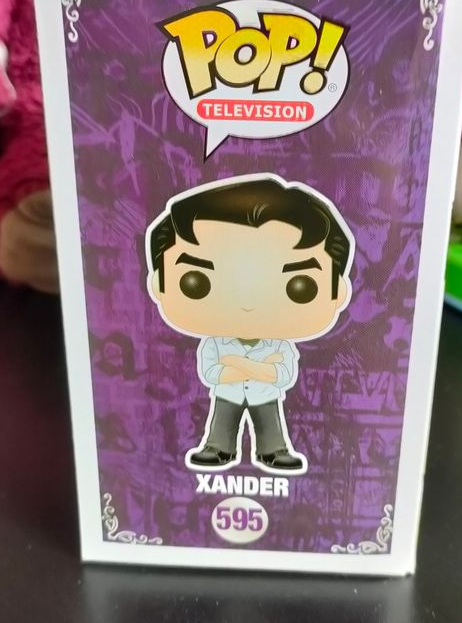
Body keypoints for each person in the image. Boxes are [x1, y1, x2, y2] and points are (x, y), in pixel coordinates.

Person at [145, 175, 354, 474]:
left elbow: (282, 376)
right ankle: (219, 448)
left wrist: (235, 363)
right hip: (227, 395)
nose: (247, 304)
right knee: (221, 424)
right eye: (196, 282)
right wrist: (259, 367)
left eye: (299, 287)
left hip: (264, 396)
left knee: (271, 426)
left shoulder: (279, 345)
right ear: (159, 284)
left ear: (338, 292)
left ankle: (273, 450)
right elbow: (212, 374)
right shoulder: (215, 344)